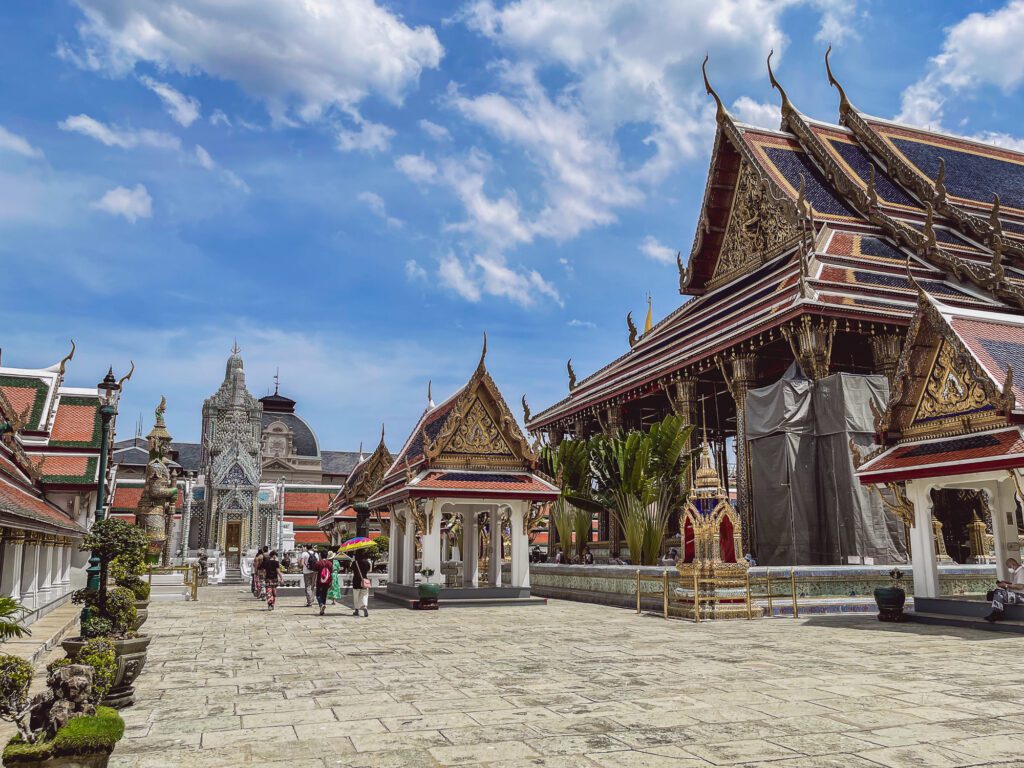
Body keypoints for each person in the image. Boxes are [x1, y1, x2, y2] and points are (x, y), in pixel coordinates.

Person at [986, 557, 1024, 622]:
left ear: (1013, 564)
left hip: (1021, 596)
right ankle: (998, 614)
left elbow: (1020, 586)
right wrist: (1006, 583)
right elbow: (1016, 584)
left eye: (1009, 567)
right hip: (1016, 594)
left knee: (999, 593)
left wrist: (1006, 585)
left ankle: (996, 614)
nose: (1009, 569)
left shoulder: (1021, 571)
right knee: (993, 593)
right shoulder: (1018, 572)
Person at [351, 549, 372, 618]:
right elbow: (369, 569)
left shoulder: (355, 563)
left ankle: (356, 610)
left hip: (356, 581)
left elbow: (351, 569)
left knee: (356, 596)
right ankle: (365, 607)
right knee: (364, 595)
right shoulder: (367, 562)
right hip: (364, 580)